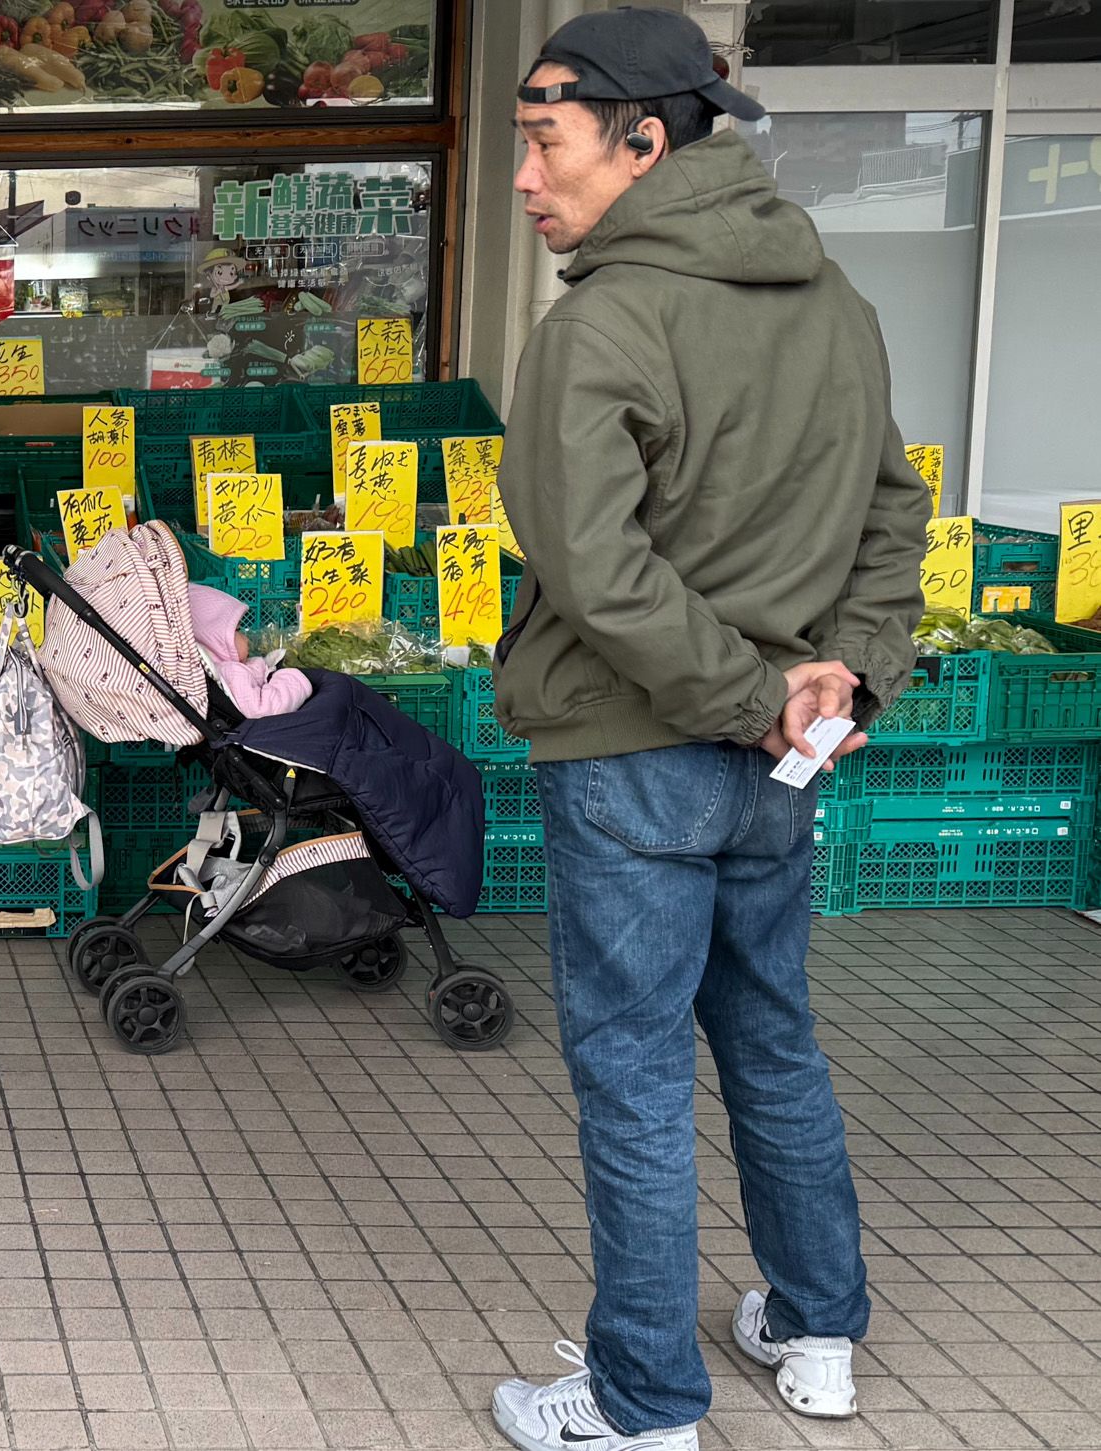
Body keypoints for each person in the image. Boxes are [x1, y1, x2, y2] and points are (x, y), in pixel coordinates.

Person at [490, 11, 929, 1451]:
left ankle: (644, 1405)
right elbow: (892, 511)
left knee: (632, 1074)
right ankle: (817, 1334)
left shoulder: (606, 323)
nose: (525, 180)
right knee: (773, 1040)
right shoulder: (836, 302)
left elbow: (597, 571)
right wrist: (841, 682)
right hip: (779, 764)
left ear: (644, 139)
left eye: (544, 142)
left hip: (634, 757)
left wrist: (754, 699)